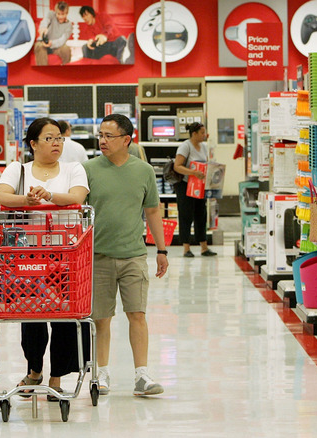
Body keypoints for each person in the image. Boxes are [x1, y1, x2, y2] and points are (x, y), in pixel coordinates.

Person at [0, 117, 89, 399]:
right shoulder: (18, 169)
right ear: (33, 144)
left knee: (64, 316)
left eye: (58, 137)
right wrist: (27, 200)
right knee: (31, 312)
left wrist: (48, 195)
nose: (56, 143)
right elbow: (0, 195)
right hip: (28, 251)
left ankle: (56, 377)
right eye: (48, 138)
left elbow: (78, 197)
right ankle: (34, 369)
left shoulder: (74, 168)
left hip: (67, 252)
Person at [82, 113, 168, 396]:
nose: (102, 141)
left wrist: (162, 249)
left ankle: (141, 375)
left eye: (109, 136)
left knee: (137, 315)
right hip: (98, 256)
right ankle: (101, 373)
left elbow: (153, 211)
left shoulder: (143, 171)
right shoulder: (88, 169)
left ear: (126, 140)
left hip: (133, 255)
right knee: (101, 318)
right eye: (101, 135)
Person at [172, 122, 217, 258]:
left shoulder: (203, 147)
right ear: (194, 134)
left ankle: (204, 247)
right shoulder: (185, 146)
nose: (204, 135)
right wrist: (193, 172)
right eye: (202, 133)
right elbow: (177, 166)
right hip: (185, 186)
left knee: (201, 215)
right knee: (186, 216)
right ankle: (186, 248)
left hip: (199, 187)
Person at [34, 1, 73, 66]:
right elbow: (45, 21)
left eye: (62, 14)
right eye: (58, 14)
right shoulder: (51, 14)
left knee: (66, 49)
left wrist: (51, 43)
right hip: (42, 43)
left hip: (56, 46)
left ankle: (65, 71)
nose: (60, 17)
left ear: (66, 14)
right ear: (55, 12)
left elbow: (62, 40)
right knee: (39, 46)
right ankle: (43, 71)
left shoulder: (69, 25)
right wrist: (43, 28)